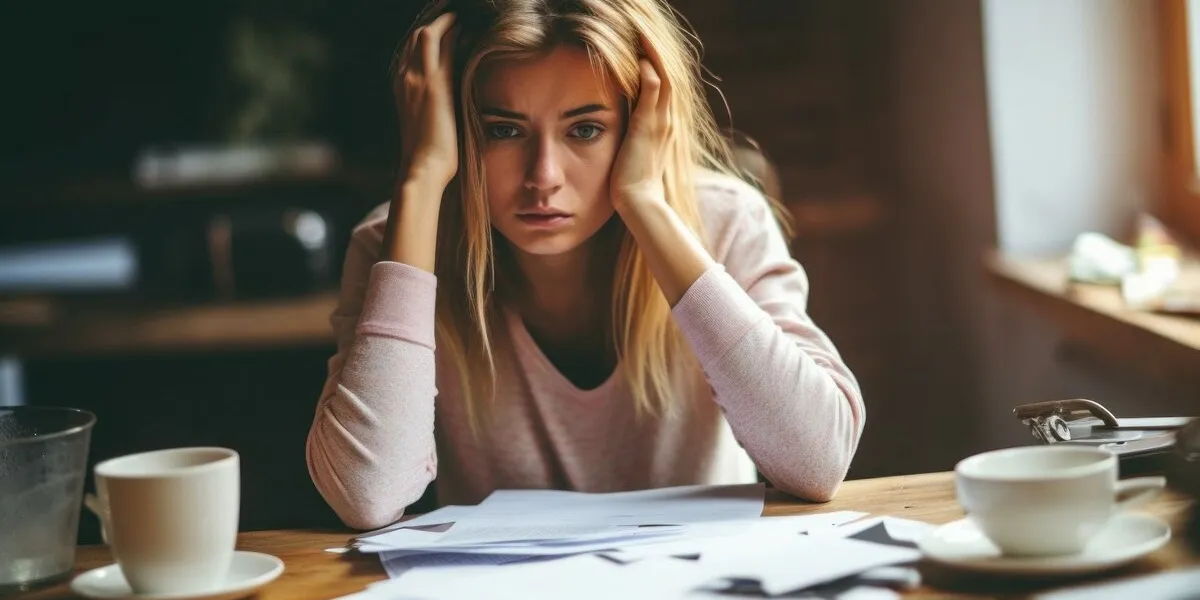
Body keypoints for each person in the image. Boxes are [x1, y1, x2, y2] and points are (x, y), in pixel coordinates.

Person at [306, 0, 864, 531]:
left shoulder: (727, 222)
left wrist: (644, 199)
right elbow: (367, 493)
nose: (543, 175)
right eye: (502, 129)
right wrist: (422, 177)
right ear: (453, 127)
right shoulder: (395, 243)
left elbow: (817, 460)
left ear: (644, 125)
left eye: (585, 129)